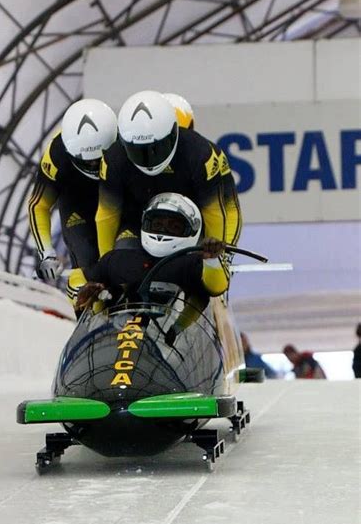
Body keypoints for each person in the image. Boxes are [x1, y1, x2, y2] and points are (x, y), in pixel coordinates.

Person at [95, 90, 241, 298]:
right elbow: (107, 215)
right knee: (124, 263)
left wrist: (218, 260)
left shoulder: (200, 155)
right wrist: (106, 272)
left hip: (190, 222)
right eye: (138, 150)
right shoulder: (113, 159)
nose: (148, 159)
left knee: (205, 276)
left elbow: (219, 212)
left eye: (156, 149)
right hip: (143, 220)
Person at [78, 193, 226, 342]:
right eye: (157, 225)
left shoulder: (195, 264)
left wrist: (212, 261)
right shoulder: (117, 260)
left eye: (174, 227)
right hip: (116, 340)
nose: (163, 232)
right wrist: (83, 298)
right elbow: (82, 289)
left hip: (171, 343)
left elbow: (215, 289)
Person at [28, 99, 117, 305]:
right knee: (87, 264)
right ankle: (89, 314)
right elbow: (38, 205)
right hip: (78, 207)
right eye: (87, 161)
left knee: (123, 256)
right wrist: (46, 252)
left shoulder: (123, 142)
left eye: (99, 158)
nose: (94, 165)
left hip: (115, 200)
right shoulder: (55, 156)